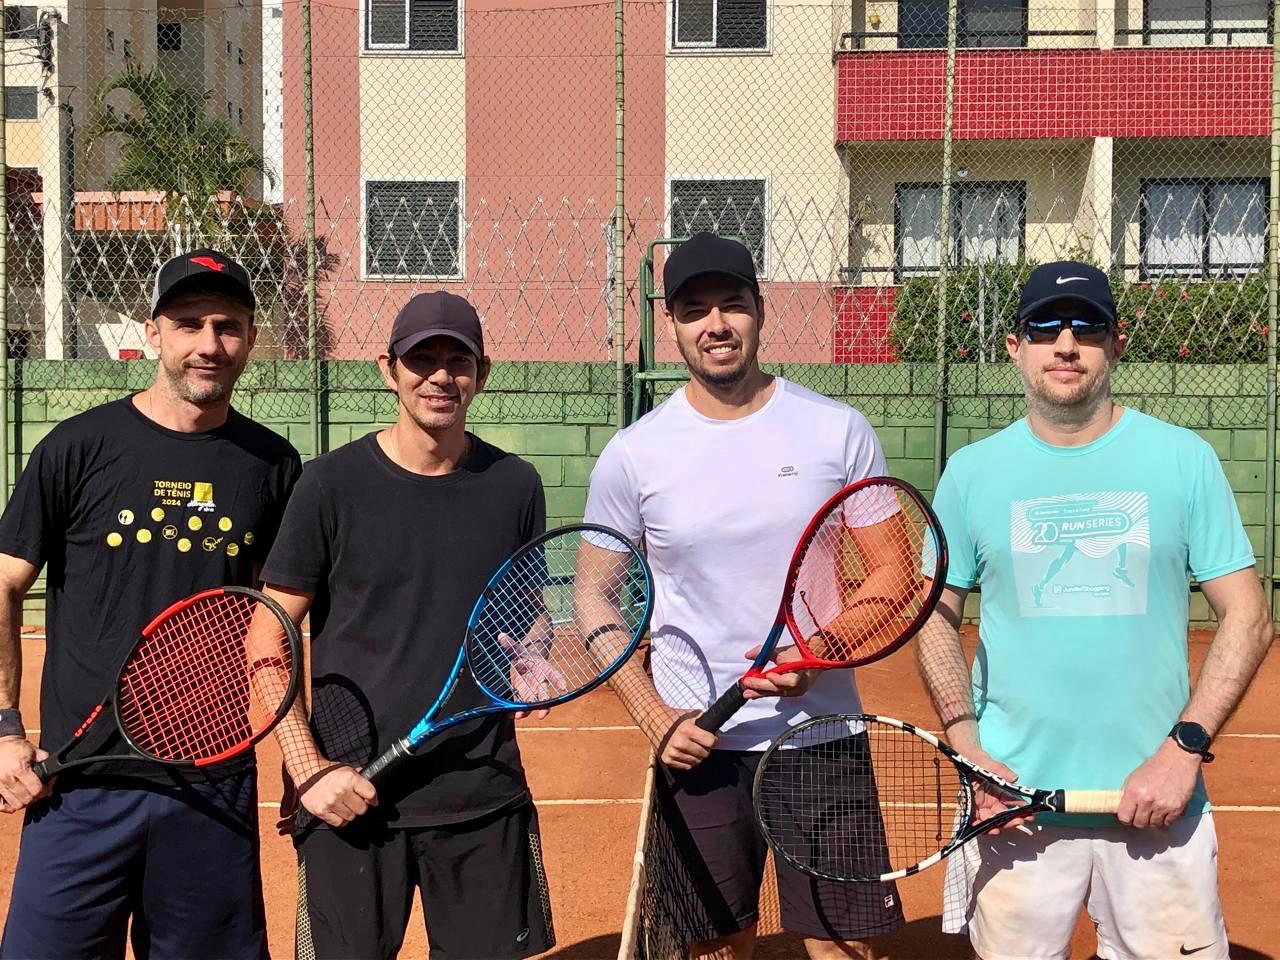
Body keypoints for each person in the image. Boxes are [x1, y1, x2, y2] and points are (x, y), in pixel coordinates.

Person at [916, 261, 1273, 960]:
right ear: (1015, 346)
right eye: (1044, 327)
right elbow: (934, 614)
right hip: (1013, 806)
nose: (1066, 344)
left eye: (1087, 326)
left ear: (1116, 342)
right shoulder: (972, 472)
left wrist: (1182, 751)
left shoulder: (1184, 459)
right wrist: (968, 748)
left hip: (1157, 803)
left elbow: (1249, 616)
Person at [582, 232, 904, 959]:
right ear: (671, 324)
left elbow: (892, 575)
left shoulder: (836, 430)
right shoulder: (634, 454)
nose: (716, 324)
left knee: (845, 948)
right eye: (694, 310)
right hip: (699, 745)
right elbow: (595, 599)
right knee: (713, 949)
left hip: (820, 736)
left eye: (732, 304)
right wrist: (655, 717)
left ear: (760, 309)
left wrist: (817, 654)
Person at [0, 249, 302, 959]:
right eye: (189, 324)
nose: (209, 344)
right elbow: (5, 584)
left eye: (227, 326)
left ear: (250, 338)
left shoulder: (273, 466)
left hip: (212, 783)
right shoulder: (77, 447)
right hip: (79, 782)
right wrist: (6, 729)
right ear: (153, 332)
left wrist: (297, 755)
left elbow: (279, 625)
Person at [259, 291, 556, 960]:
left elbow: (527, 611)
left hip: (481, 791)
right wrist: (309, 770)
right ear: (387, 369)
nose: (440, 376)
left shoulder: (515, 485)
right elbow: (267, 637)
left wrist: (532, 652)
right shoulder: (328, 486)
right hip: (351, 797)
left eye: (459, 360)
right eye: (422, 359)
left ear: (482, 373)